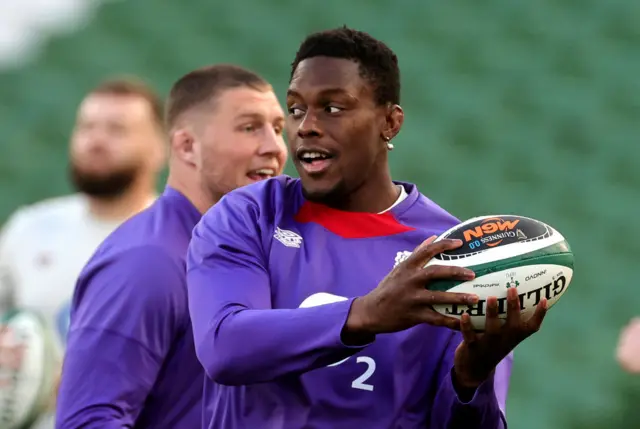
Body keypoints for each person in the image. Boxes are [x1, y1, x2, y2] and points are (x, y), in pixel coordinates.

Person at [187, 27, 548, 429]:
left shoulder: (453, 254)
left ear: (390, 122)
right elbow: (225, 346)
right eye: (296, 109)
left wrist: (471, 377)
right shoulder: (248, 215)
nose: (306, 126)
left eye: (333, 108)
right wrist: (364, 315)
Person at [55, 64, 288, 428]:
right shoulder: (147, 263)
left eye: (277, 128)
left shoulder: (259, 252)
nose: (274, 147)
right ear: (186, 146)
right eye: (249, 128)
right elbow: (88, 421)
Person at [0, 77, 165, 429]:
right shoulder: (29, 227)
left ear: (159, 148)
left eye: (117, 129)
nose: (97, 140)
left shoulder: (187, 240)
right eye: (87, 127)